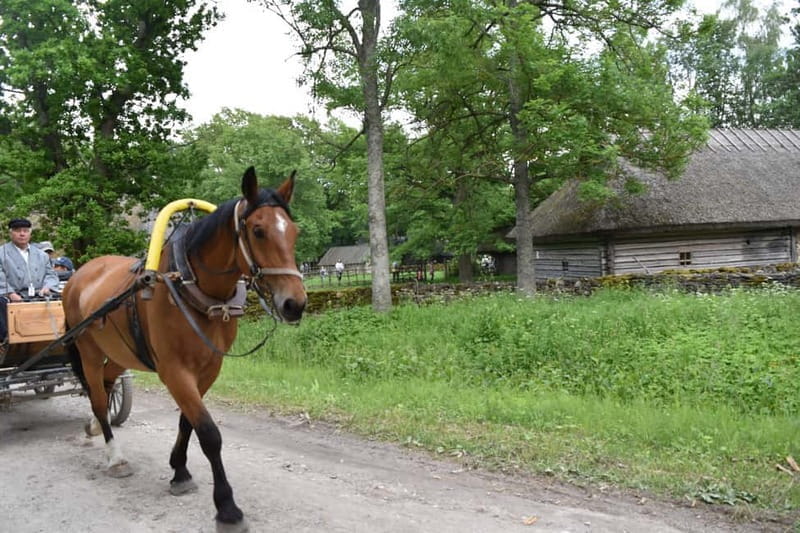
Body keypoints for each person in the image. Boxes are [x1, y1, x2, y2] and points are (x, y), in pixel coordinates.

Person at [0, 218, 59, 343]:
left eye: (25, 231)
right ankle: (5, 339)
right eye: (18, 231)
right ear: (11, 233)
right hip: (11, 294)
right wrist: (10, 293)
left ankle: (58, 336)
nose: (22, 234)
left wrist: (47, 287)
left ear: (30, 233)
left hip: (38, 293)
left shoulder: (41, 254)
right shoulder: (2, 252)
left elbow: (51, 274)